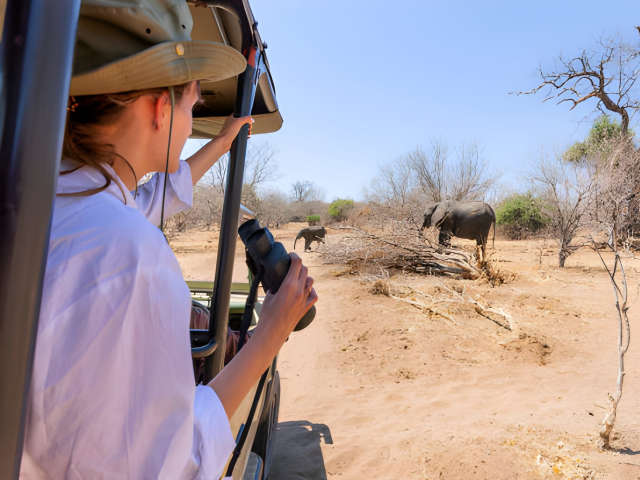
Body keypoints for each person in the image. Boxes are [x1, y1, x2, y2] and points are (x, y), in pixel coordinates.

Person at [20, 1, 317, 478]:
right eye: (191, 104)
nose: (192, 117)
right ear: (161, 108)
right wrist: (270, 335)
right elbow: (176, 461)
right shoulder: (129, 252)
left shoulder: (40, 205)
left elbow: (150, 198)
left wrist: (220, 143)